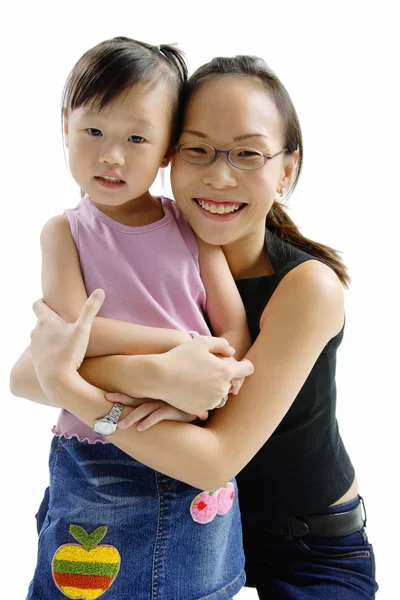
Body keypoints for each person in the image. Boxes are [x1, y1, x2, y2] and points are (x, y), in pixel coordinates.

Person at [11, 54, 379, 599]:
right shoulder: (137, 243)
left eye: (247, 154)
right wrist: (163, 370)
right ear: (171, 156)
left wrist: (74, 384)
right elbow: (25, 376)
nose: (219, 174)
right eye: (198, 149)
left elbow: (213, 461)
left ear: (287, 170)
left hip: (300, 547)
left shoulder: (307, 288)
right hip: (165, 506)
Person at [10, 37, 255, 600]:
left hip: (186, 443)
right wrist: (176, 349)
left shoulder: (191, 229)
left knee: (199, 588)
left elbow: (235, 332)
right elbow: (74, 333)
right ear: (64, 126)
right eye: (93, 131)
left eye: (137, 138)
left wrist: (191, 385)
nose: (111, 156)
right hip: (97, 456)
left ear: (168, 150)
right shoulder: (64, 232)